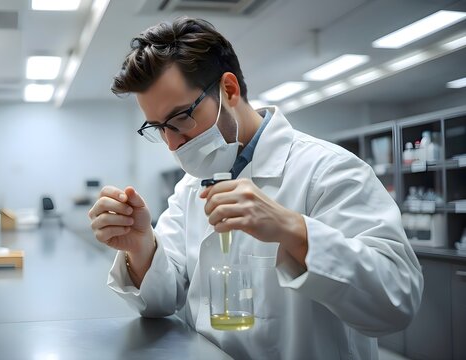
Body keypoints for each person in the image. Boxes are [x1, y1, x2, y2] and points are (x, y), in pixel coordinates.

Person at [88, 17, 423, 359]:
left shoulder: (328, 170)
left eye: (181, 119)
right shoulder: (190, 188)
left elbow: (397, 302)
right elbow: (164, 299)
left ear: (228, 90)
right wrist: (141, 246)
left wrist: (293, 229)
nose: (173, 144)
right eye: (159, 127)